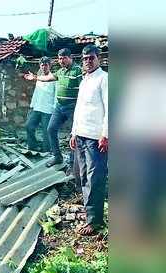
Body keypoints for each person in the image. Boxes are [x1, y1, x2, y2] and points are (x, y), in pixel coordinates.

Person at [70, 44, 108, 235]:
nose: (87, 61)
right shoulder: (85, 80)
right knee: (83, 176)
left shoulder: (104, 79)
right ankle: (89, 213)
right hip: (81, 135)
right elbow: (79, 109)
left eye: (91, 58)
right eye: (84, 59)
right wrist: (73, 132)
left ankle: (95, 221)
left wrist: (106, 134)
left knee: (95, 178)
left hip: (96, 138)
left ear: (98, 58)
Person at [26, 48, 83, 168]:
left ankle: (73, 163)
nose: (62, 60)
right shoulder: (60, 71)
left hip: (72, 107)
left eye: (64, 58)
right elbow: (47, 78)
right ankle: (57, 157)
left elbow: (83, 88)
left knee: (74, 134)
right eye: (60, 58)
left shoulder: (77, 71)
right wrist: (35, 77)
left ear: (70, 58)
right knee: (51, 129)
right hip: (59, 106)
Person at [23, 56, 56, 152]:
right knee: (29, 126)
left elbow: (56, 94)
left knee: (46, 131)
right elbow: (36, 92)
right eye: (42, 65)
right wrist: (32, 105)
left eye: (46, 65)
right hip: (36, 107)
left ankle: (47, 150)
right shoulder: (39, 77)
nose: (44, 67)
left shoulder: (53, 78)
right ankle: (33, 146)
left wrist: (54, 108)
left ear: (49, 66)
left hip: (48, 109)